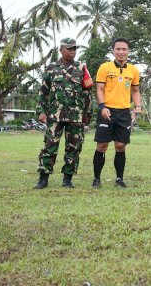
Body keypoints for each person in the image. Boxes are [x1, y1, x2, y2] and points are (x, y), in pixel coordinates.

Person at [34, 38, 92, 189]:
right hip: (55, 115)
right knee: (49, 145)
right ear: (61, 50)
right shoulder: (52, 68)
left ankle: (68, 178)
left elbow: (87, 94)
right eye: (69, 48)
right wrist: (41, 111)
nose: (72, 51)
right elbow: (43, 92)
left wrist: (87, 115)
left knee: (73, 148)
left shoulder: (81, 68)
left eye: (74, 49)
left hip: (76, 116)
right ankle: (43, 178)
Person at [93, 38, 141, 188]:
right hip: (107, 110)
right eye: (118, 49)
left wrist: (137, 106)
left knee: (120, 146)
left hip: (124, 112)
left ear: (128, 51)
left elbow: (135, 90)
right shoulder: (104, 67)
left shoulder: (133, 70)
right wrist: (102, 107)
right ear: (113, 50)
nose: (121, 52)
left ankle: (119, 179)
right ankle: (96, 179)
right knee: (102, 145)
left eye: (124, 49)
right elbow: (99, 89)